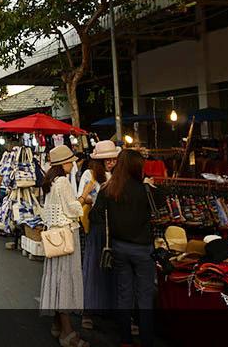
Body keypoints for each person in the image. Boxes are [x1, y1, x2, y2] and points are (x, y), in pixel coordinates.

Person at [91, 149, 154, 347]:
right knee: (144, 297)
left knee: (123, 295)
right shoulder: (147, 190)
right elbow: (161, 213)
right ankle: (146, 340)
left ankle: (125, 339)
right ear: (137, 167)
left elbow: (95, 216)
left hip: (119, 247)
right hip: (143, 249)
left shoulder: (109, 189)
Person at [39, 145, 85, 347]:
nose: (72, 164)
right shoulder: (64, 182)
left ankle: (57, 325)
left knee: (57, 279)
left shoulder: (50, 182)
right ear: (64, 163)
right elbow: (73, 209)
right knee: (65, 280)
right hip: (66, 235)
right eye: (70, 161)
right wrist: (85, 197)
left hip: (54, 237)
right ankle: (68, 333)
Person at [78, 140, 120, 330]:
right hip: (97, 226)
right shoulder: (90, 174)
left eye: (113, 159)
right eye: (107, 159)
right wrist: (96, 197)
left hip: (115, 226)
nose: (111, 162)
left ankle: (112, 307)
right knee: (94, 266)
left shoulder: (120, 175)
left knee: (114, 269)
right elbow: (82, 197)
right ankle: (89, 311)